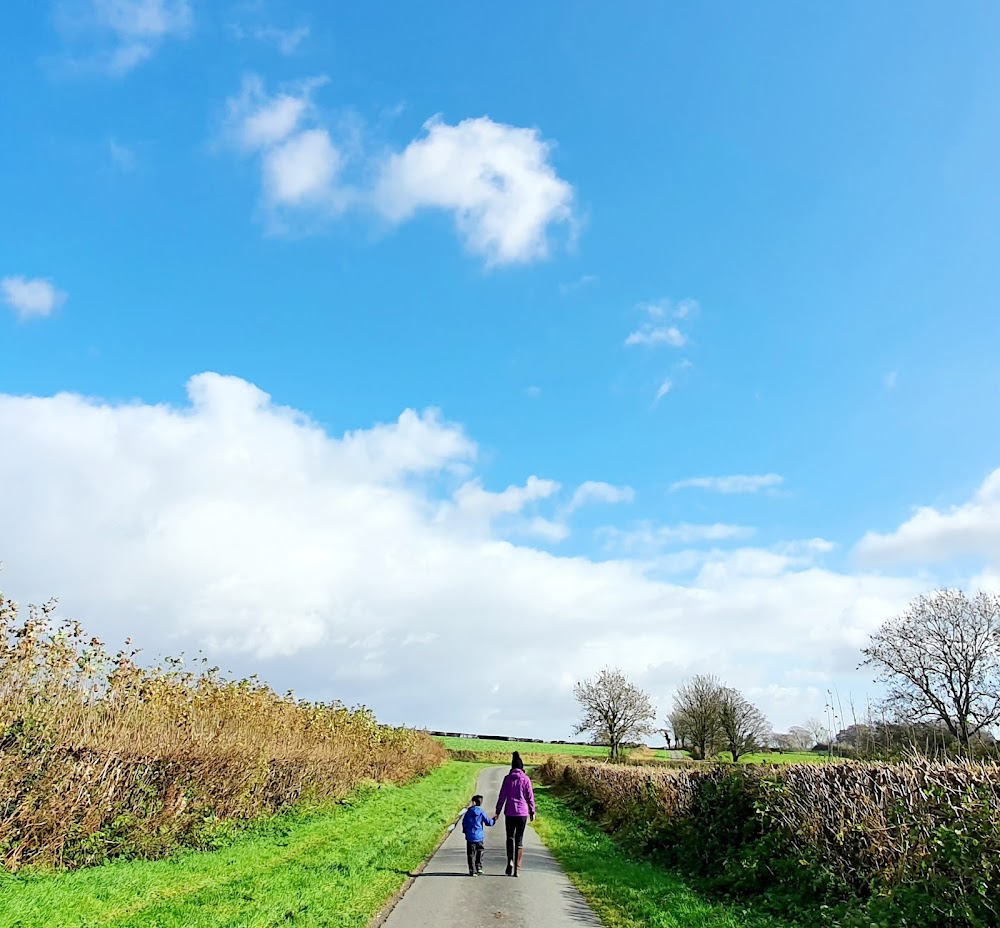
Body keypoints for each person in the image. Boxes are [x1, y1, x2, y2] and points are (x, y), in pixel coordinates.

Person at [494, 751, 535, 877]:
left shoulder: (507, 779)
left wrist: (497, 811)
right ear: (522, 767)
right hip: (522, 814)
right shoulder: (526, 779)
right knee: (519, 839)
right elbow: (530, 797)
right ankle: (518, 868)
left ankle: (510, 861)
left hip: (510, 813)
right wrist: (532, 811)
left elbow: (502, 796)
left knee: (510, 838)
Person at [460, 794, 495, 876]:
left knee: (471, 854)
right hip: (479, 837)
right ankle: (479, 867)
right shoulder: (481, 812)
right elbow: (488, 823)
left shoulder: (468, 812)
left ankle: (472, 871)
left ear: (474, 802)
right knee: (480, 851)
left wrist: (465, 831)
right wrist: (494, 820)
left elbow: (464, 822)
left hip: (470, 837)